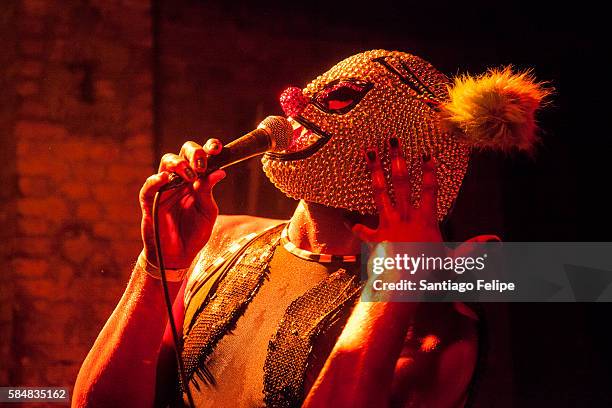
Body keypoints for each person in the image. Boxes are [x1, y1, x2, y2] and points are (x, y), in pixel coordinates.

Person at [73, 49, 548, 407]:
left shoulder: (434, 324)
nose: (293, 104)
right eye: (311, 90)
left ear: (401, 147)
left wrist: (395, 284)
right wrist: (158, 266)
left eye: (338, 99)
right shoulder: (222, 240)